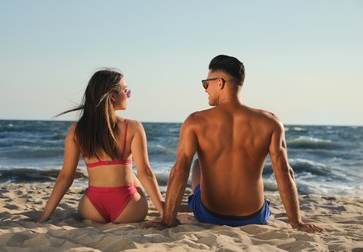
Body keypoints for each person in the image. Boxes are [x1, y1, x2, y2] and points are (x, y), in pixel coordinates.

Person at [155, 55, 324, 232]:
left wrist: (167, 221)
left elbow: (179, 170)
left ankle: (192, 203)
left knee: (197, 164)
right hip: (255, 216)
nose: (205, 89)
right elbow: (284, 172)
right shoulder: (271, 121)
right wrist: (297, 223)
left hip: (209, 214)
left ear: (219, 83)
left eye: (206, 83)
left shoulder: (195, 121)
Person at [32, 69, 164, 223]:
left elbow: (66, 176)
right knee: (134, 176)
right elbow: (146, 172)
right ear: (113, 95)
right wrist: (165, 213)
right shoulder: (133, 127)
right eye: (125, 90)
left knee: (131, 175)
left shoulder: (77, 130)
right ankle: (163, 206)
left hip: (92, 208)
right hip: (129, 207)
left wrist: (45, 215)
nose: (128, 95)